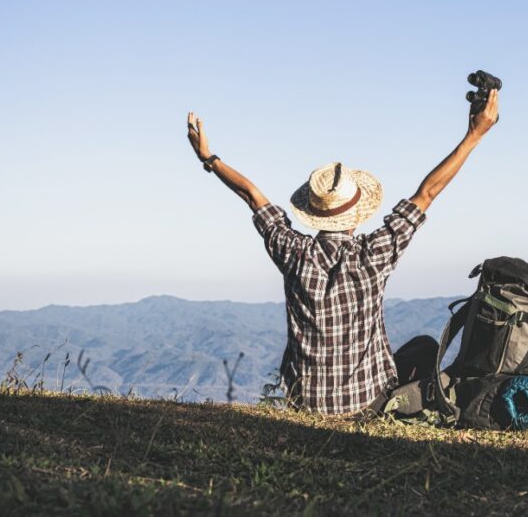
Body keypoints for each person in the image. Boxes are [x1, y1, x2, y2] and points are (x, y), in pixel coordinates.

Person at [186, 87, 499, 414]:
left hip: (304, 403)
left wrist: (208, 158)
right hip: (367, 403)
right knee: (424, 347)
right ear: (358, 212)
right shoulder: (375, 253)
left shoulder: (293, 252)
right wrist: (474, 135)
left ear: (315, 211)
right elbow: (428, 193)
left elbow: (251, 195)